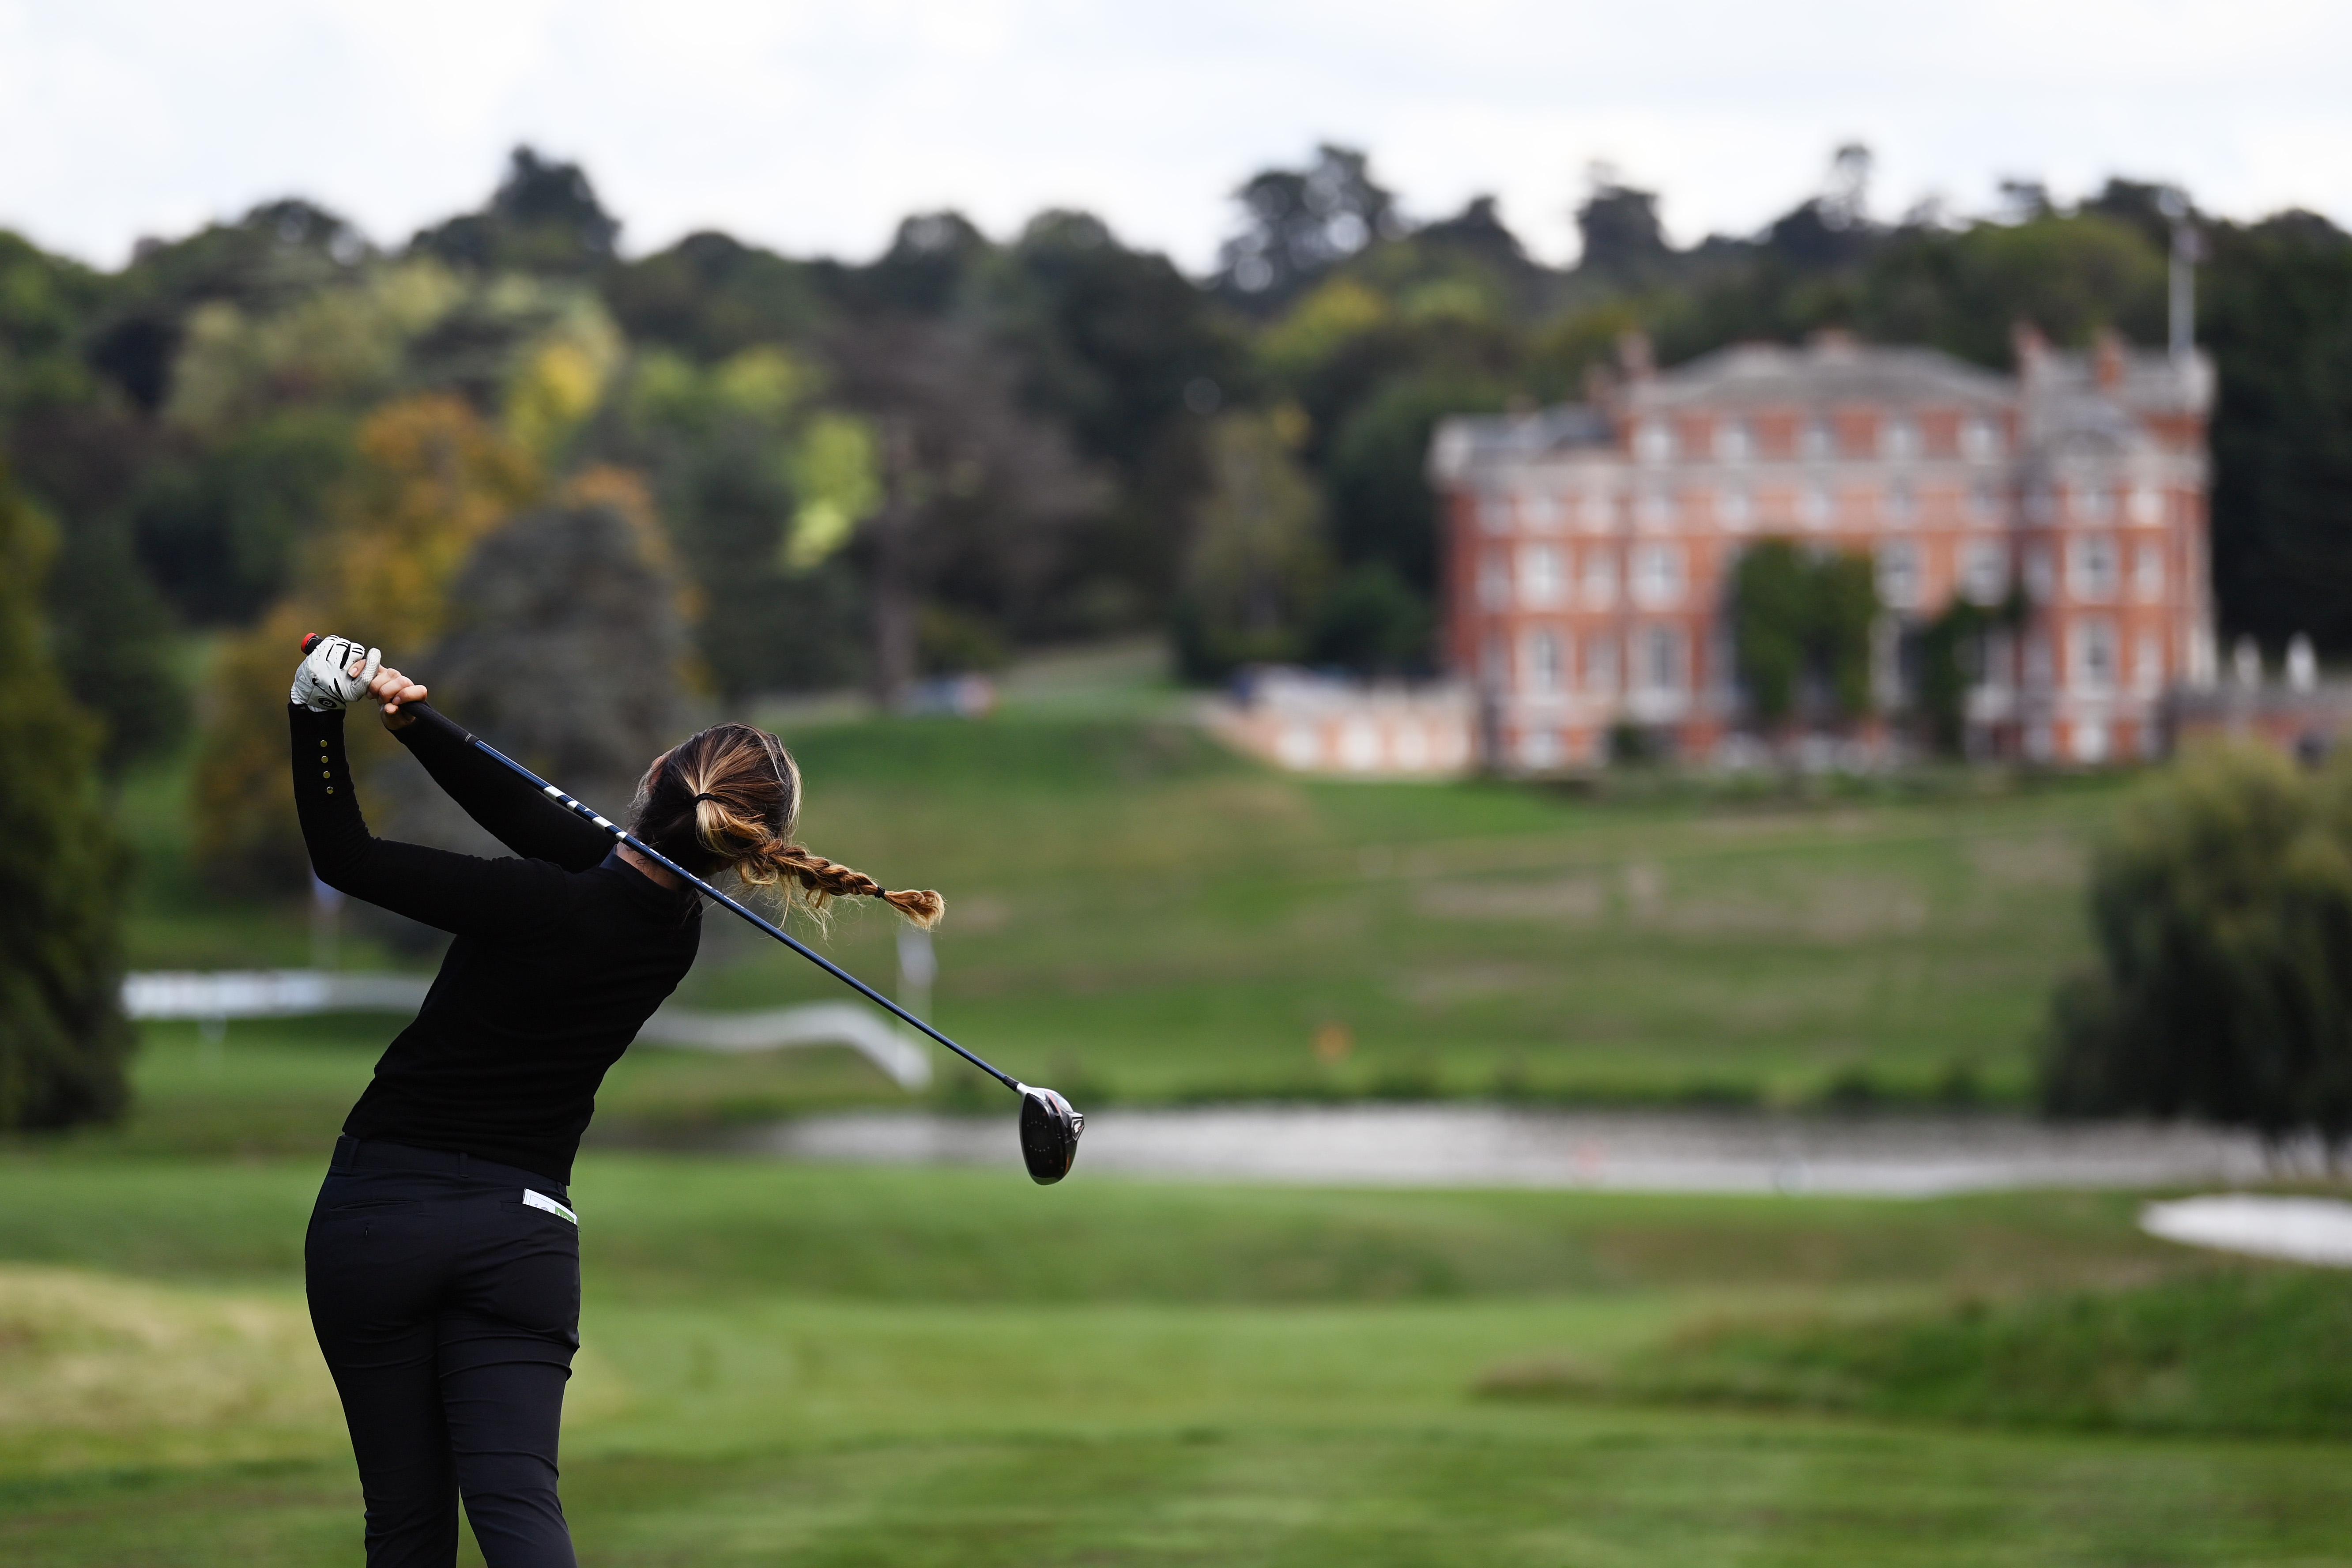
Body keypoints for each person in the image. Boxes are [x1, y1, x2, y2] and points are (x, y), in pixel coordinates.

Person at [286, 635, 940, 1568]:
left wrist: (315, 715)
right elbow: (551, 825)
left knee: (406, 1524)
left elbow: (345, 857)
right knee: (519, 1508)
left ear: (655, 775)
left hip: (379, 1216)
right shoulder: (671, 930)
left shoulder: (534, 902)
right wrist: (416, 726)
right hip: (521, 1239)